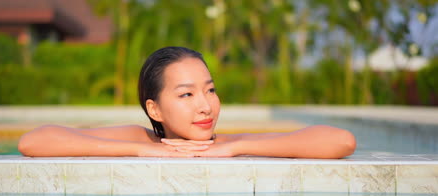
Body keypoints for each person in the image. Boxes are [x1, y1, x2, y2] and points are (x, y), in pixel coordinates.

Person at [18, 46, 356, 158]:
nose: (205, 106)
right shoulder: (141, 139)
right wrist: (143, 151)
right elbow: (33, 141)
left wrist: (235, 148)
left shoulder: (231, 143)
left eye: (210, 90)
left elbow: (342, 141)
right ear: (155, 109)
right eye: (186, 94)